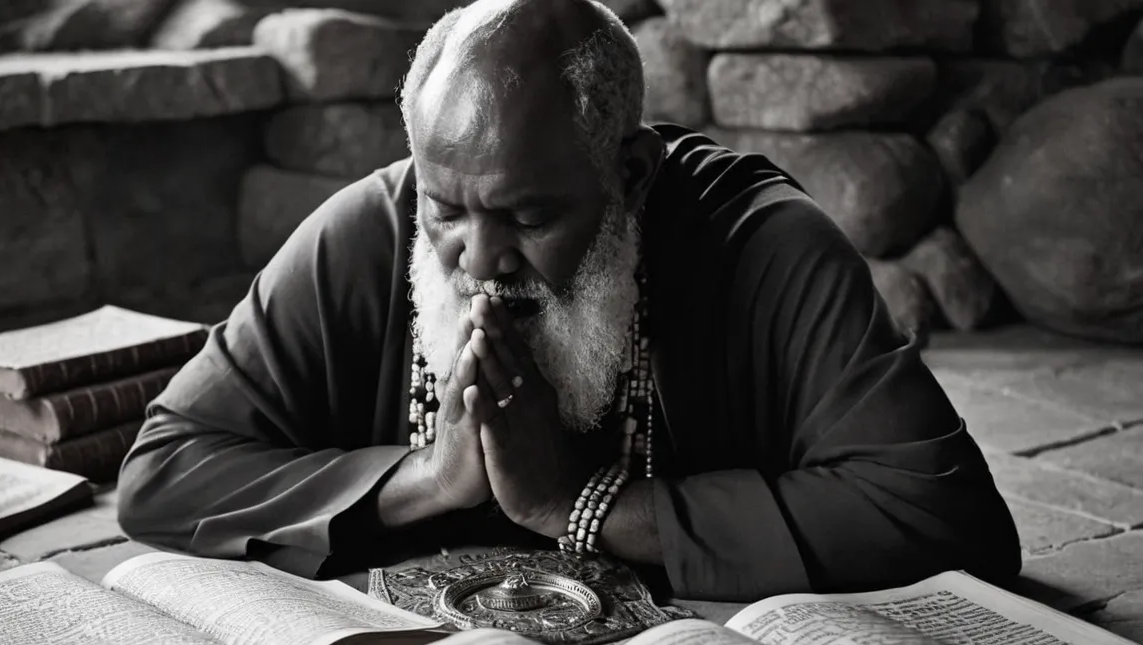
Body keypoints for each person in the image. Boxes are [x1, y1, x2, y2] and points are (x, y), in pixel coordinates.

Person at [117, 0, 1020, 601]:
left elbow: (947, 519)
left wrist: (574, 505)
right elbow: (162, 472)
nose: (478, 260)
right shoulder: (372, 229)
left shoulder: (764, 247)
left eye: (527, 215)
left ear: (627, 174)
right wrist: (428, 481)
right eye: (448, 209)